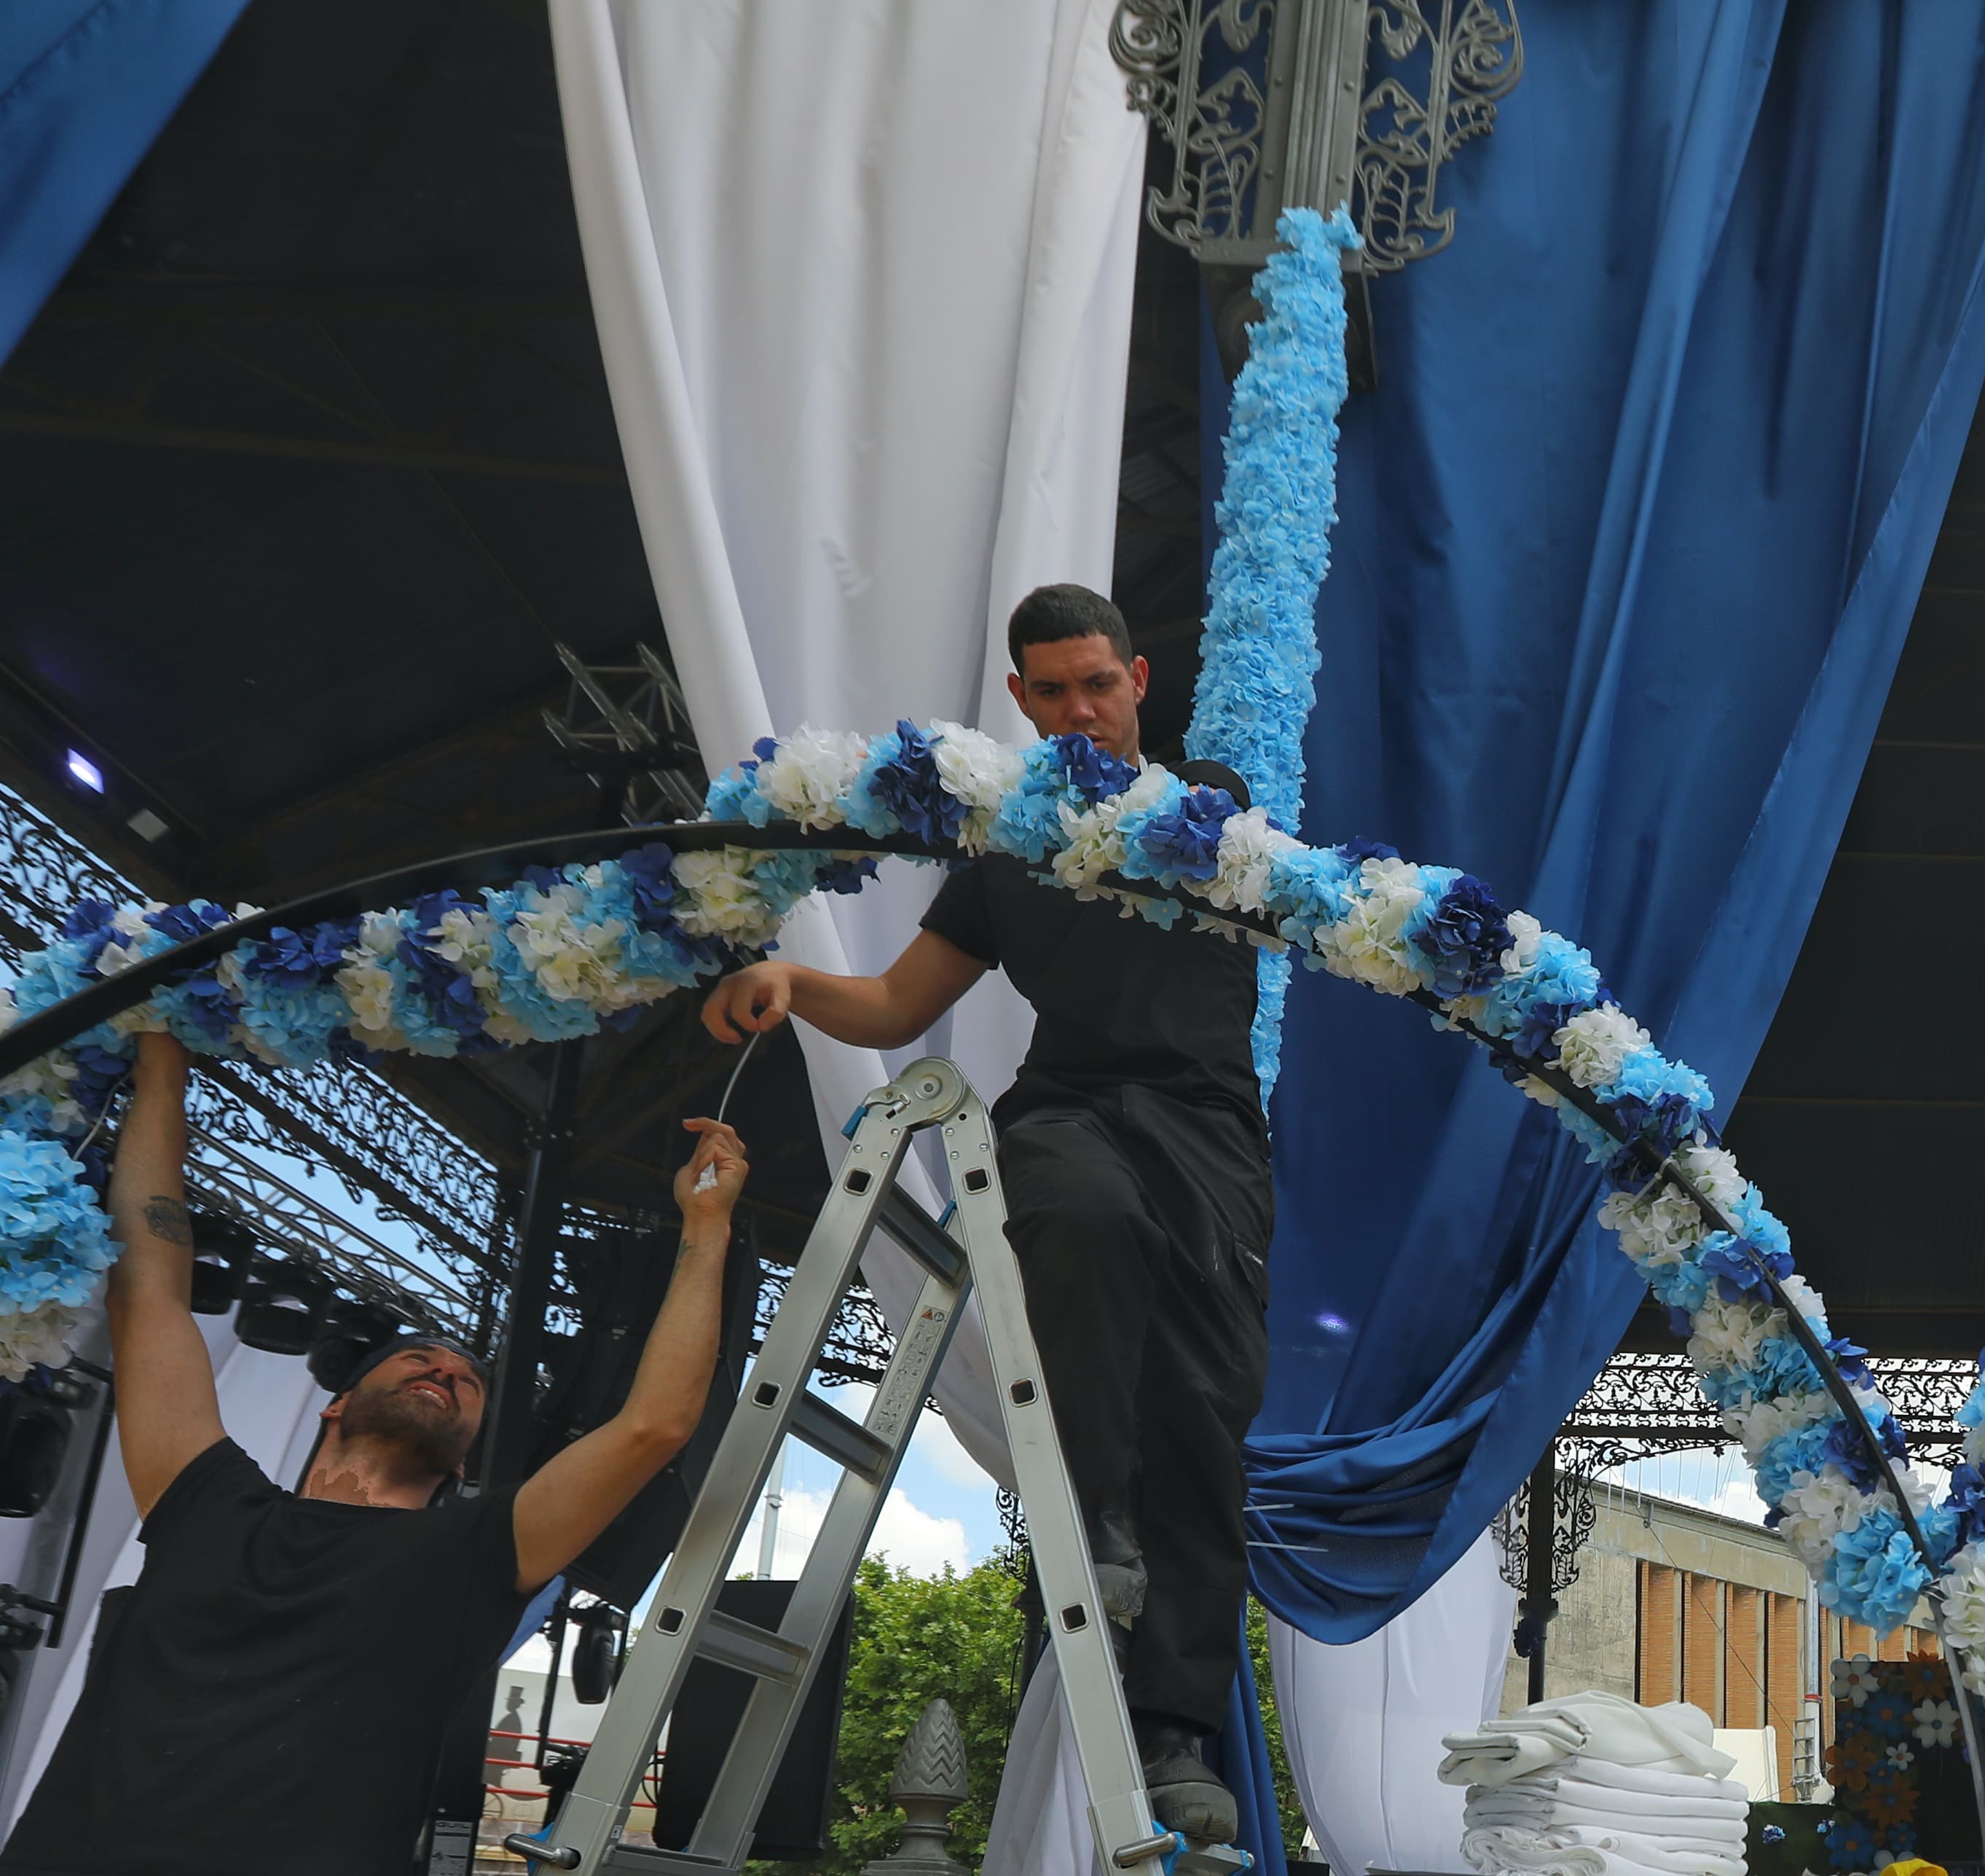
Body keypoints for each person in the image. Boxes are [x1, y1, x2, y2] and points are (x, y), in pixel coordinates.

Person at [700, 582, 1270, 1844]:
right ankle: (1097, 1518)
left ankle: (1177, 1734)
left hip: (1212, 1133)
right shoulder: (1002, 846)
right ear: (1018, 702)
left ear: (1138, 680)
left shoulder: (1215, 800)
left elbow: (1318, 905)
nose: (1080, 710)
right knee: (1080, 1214)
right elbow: (901, 1007)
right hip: (1069, 1107)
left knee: (1207, 1418)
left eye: (1098, 684)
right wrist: (795, 981)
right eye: (1052, 691)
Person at [0, 1030, 751, 1876]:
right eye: (419, 1356)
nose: (446, 1368)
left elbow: (655, 1425)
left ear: (465, 1462)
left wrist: (706, 1229)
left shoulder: (479, 1550)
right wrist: (164, 1074)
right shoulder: (206, 1497)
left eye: (468, 1380)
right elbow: (153, 1286)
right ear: (336, 1403)